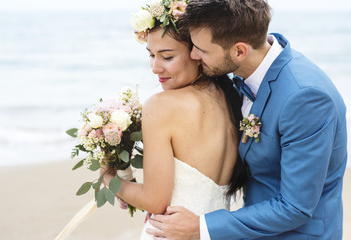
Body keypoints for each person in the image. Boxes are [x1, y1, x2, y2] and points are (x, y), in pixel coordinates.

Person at [146, 0, 348, 239]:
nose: (193, 54)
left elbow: (295, 207)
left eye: (202, 49)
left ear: (239, 51)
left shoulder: (305, 98)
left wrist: (201, 227)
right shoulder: (244, 70)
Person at [100, 1, 247, 239]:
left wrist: (108, 178)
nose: (155, 68)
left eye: (166, 57)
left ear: (197, 53)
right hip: (212, 232)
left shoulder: (161, 106)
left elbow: (155, 202)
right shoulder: (231, 99)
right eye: (151, 55)